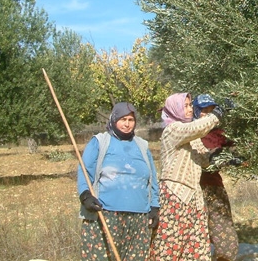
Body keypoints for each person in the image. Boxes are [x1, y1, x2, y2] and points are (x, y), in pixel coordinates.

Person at [77, 102, 160, 260]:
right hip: (105, 215)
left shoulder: (142, 145)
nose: (127, 124)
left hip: (139, 218)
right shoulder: (100, 142)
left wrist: (154, 206)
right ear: (114, 119)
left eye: (131, 120)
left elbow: (152, 177)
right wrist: (85, 196)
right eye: (123, 119)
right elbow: (84, 171)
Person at [151, 92, 225, 261]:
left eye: (190, 105)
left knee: (195, 248)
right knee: (169, 247)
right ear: (174, 109)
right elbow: (196, 128)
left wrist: (222, 157)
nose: (189, 109)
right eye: (185, 106)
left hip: (195, 199)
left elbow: (204, 160)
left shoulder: (193, 137)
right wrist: (216, 115)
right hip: (175, 197)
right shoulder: (173, 130)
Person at [193, 94, 241, 261]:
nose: (208, 114)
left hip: (214, 189)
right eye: (204, 110)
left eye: (211, 110)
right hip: (191, 192)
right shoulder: (187, 131)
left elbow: (237, 150)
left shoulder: (219, 134)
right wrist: (222, 157)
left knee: (227, 243)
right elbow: (208, 158)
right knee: (196, 242)